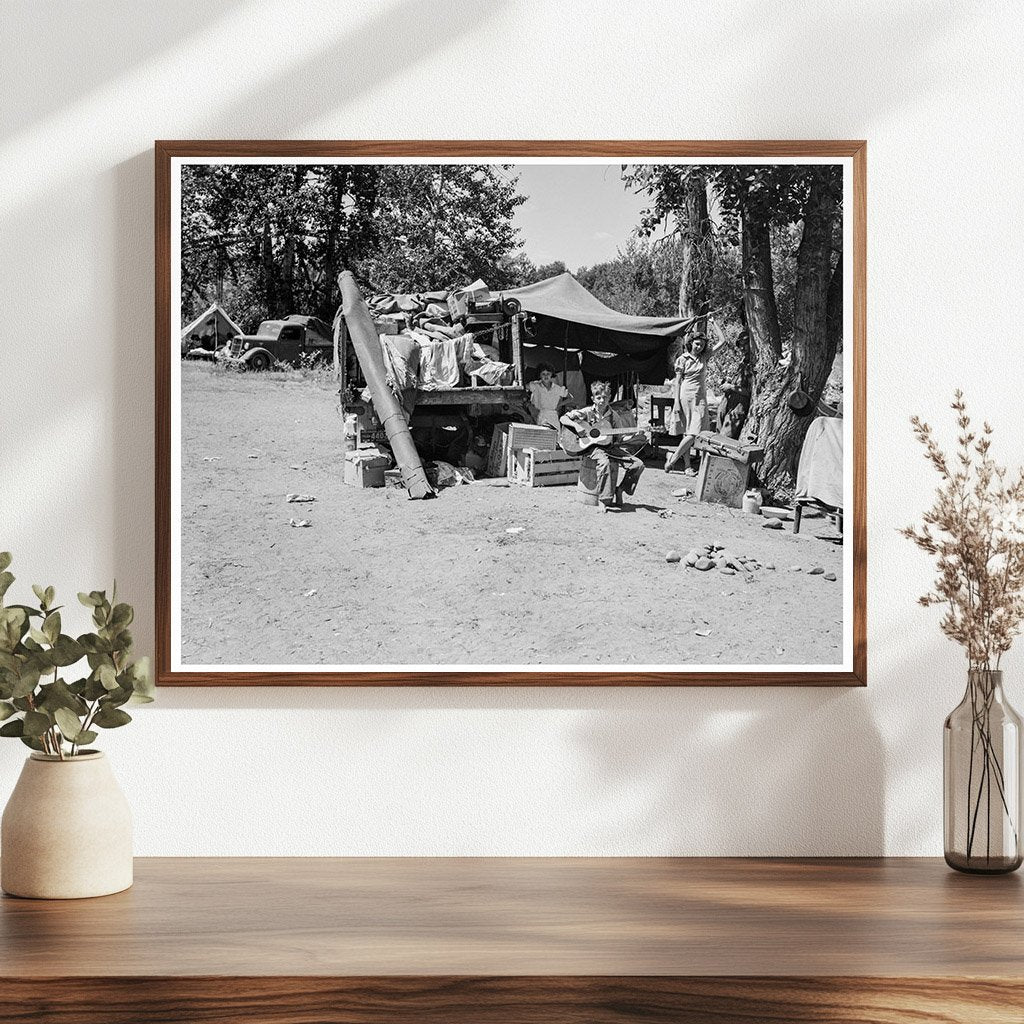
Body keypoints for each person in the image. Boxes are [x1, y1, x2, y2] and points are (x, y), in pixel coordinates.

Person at [561, 379, 646, 507]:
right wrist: (577, 426)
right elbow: (563, 418)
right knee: (604, 463)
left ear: (609, 398)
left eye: (605, 398)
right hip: (593, 448)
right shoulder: (587, 412)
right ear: (593, 399)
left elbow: (620, 438)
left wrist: (634, 437)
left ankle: (620, 489)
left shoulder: (614, 416)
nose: (602, 401)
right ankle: (604, 500)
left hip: (611, 447)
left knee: (638, 464)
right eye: (599, 398)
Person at [664, 318, 729, 473]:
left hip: (700, 397)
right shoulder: (682, 359)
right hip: (685, 396)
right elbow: (677, 382)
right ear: (691, 343)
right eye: (697, 344)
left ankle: (672, 458)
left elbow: (723, 341)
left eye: (702, 345)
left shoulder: (704, 358)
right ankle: (686, 466)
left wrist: (713, 322)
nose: (699, 347)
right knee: (689, 432)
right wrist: (676, 402)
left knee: (694, 432)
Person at [527, 363, 572, 430]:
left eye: (548, 374)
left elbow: (570, 398)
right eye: (543, 374)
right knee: (543, 433)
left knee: (555, 434)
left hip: (553, 415)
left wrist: (559, 404)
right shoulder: (536, 385)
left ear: (551, 374)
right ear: (540, 375)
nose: (546, 376)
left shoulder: (557, 388)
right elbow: (524, 387)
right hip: (541, 414)